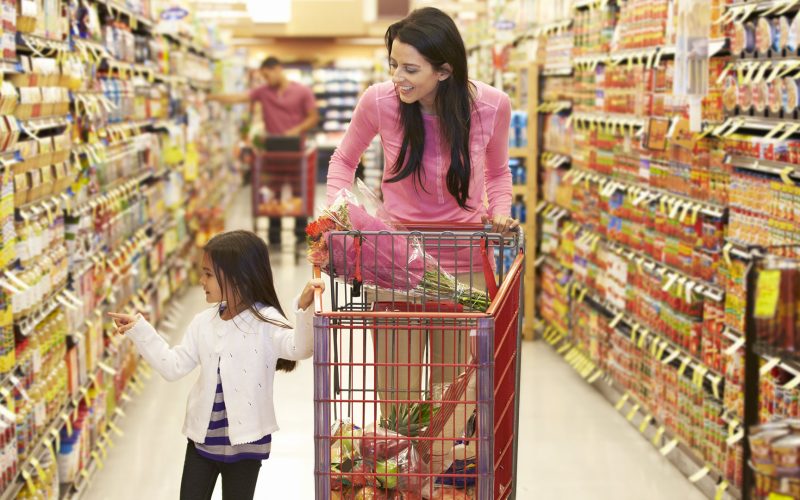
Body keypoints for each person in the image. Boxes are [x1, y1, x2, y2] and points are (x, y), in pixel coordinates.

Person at [325, 6, 519, 476]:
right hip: (394, 263)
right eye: (393, 64)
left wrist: (501, 213)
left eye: (410, 69)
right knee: (399, 392)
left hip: (463, 263)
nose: (397, 78)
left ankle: (436, 477)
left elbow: (496, 173)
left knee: (450, 393)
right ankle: (401, 480)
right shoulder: (380, 101)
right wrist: (335, 211)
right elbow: (342, 160)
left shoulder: (491, 105)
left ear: (445, 69)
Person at [109, 230, 324, 500]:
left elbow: (299, 348)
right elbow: (172, 366)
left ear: (237, 277)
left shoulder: (265, 322)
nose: (201, 281)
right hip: (202, 441)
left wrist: (303, 309)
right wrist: (140, 331)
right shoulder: (203, 322)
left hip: (247, 442)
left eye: (208, 274)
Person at [211, 57, 319, 245]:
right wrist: (211, 97)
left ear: (278, 69)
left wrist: (293, 131)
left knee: (298, 193)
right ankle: (274, 236)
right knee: (272, 193)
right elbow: (239, 97)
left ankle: (300, 235)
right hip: (272, 152)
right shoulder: (263, 92)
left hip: (296, 152)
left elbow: (313, 117)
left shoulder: (302, 91)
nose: (265, 80)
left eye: (267, 75)